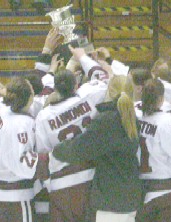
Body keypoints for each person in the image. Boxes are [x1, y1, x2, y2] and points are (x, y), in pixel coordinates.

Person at [53, 75, 142, 222]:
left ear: (109, 91)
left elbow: (79, 149)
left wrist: (56, 150)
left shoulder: (108, 121)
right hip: (130, 192)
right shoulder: (131, 117)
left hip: (111, 197)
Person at [35, 68, 105, 222]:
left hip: (62, 182)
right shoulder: (89, 97)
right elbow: (107, 81)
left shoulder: (43, 116)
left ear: (55, 88)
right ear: (75, 85)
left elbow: (43, 153)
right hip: (92, 176)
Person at [0, 77, 39, 222]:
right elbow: (21, 167)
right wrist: (44, 158)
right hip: (12, 196)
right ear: (29, 97)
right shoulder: (22, 124)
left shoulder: (0, 107)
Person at [136, 79, 171, 222]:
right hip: (165, 193)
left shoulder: (135, 117)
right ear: (161, 99)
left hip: (140, 193)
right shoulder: (168, 121)